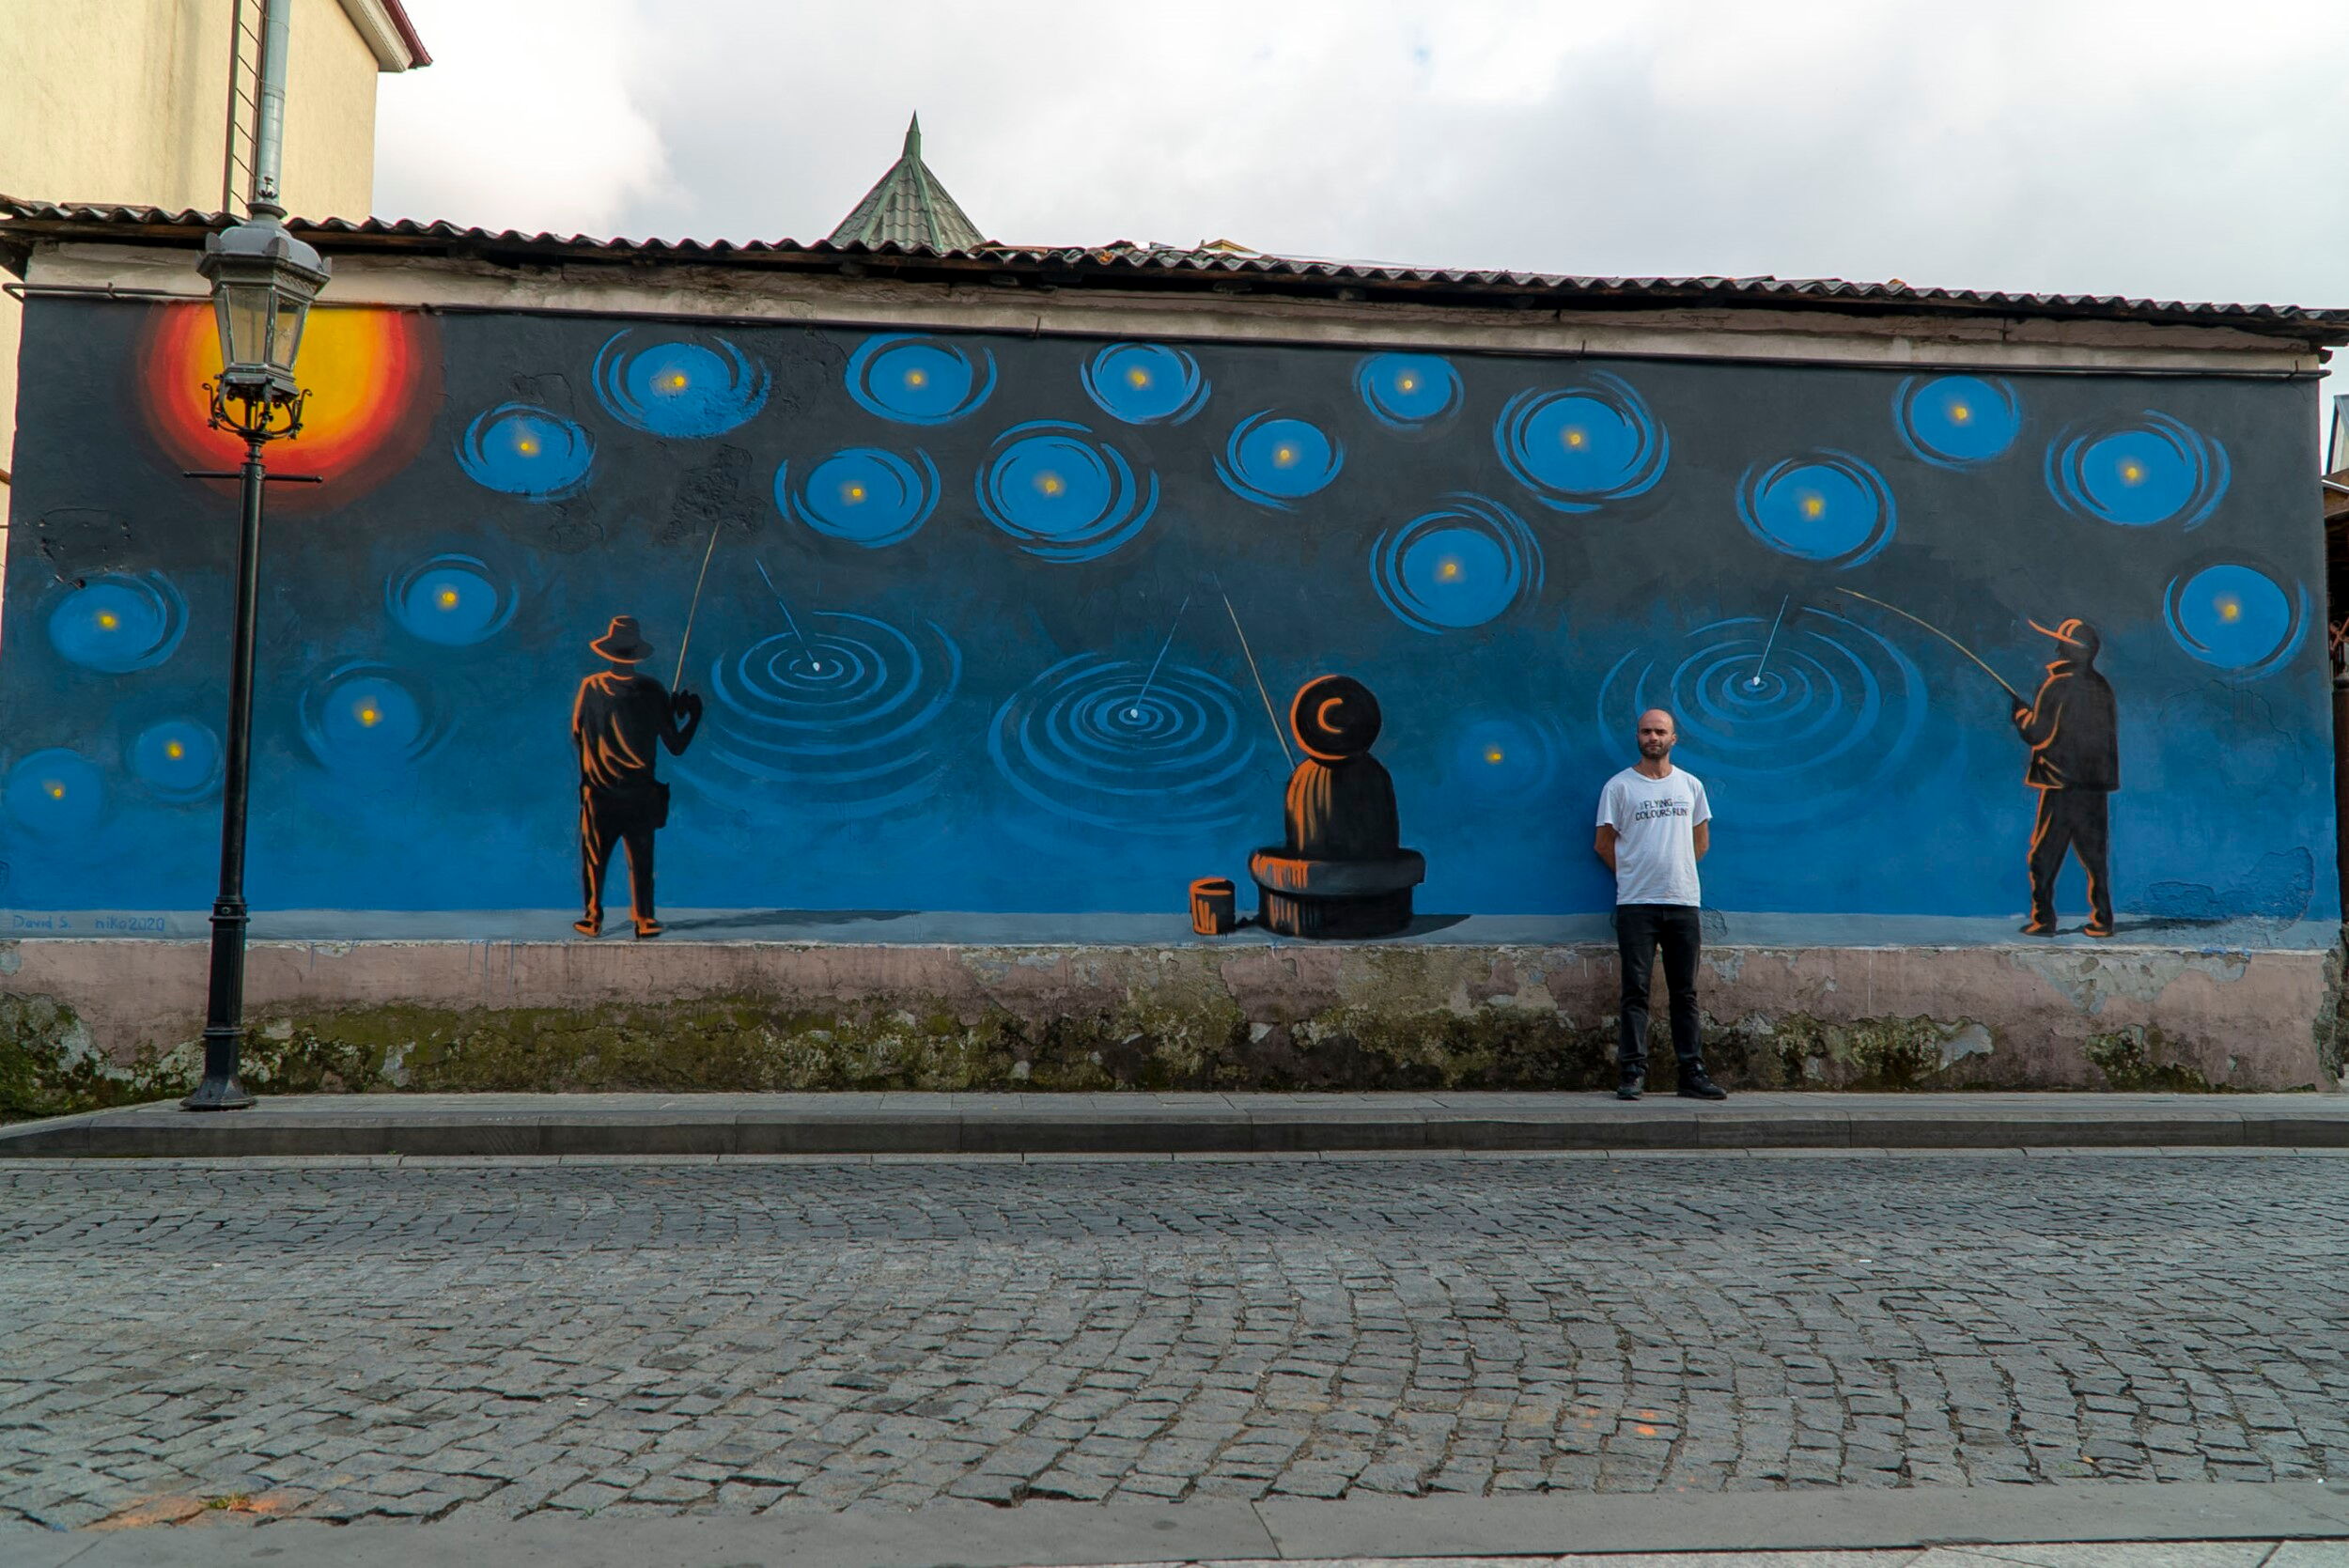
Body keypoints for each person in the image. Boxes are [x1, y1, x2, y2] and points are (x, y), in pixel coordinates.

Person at [1594, 708, 1727, 1101]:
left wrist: (1676, 871)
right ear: (1637, 737)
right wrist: (1635, 874)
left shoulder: (1690, 786)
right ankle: (1632, 1071)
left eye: (1660, 731)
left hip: (1683, 901)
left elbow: (1700, 842)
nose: (1653, 737)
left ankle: (1691, 1072)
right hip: (1636, 904)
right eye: (1646, 731)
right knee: (1635, 990)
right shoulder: (1619, 787)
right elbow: (1603, 844)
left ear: (1674, 738)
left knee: (1684, 992)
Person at [571, 615, 703, 939]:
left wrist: (597, 758)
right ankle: (644, 918)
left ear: (608, 651)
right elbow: (675, 745)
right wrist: (693, 715)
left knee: (594, 858)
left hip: (599, 791)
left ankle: (592, 917)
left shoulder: (590, 687)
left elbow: (577, 732)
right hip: (640, 792)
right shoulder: (652, 690)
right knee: (642, 859)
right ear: (636, 654)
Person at [2013, 616, 2118, 938]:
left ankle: (2043, 920)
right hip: (2093, 786)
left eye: (2063, 643)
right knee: (2094, 856)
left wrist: (2020, 715)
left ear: (2073, 650)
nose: (2057, 647)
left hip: (2060, 784)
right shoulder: (2101, 687)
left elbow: (2037, 734)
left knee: (2042, 856)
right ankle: (2102, 919)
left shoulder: (2056, 685)